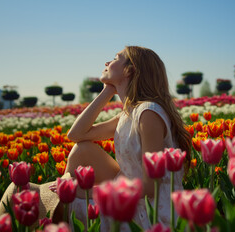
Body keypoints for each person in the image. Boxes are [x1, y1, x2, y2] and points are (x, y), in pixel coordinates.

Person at [58, 46, 192, 231]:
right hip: (130, 191)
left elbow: (151, 187)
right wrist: (107, 92)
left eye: (115, 58)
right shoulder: (128, 114)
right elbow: (76, 135)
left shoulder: (148, 113)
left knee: (73, 198)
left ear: (129, 70)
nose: (107, 63)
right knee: (81, 150)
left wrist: (91, 192)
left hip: (151, 210)